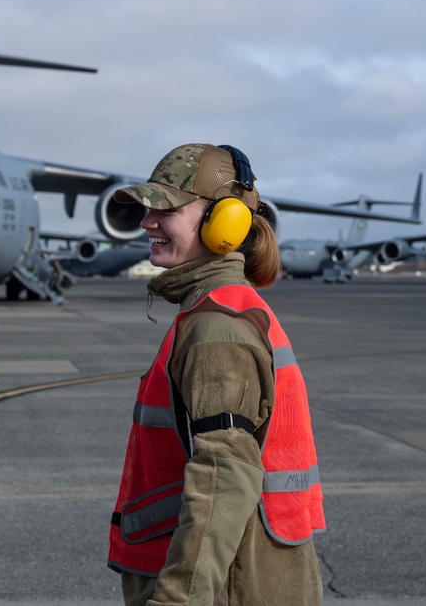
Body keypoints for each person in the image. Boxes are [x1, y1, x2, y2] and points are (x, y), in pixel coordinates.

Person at [106, 143, 326, 606]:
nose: (147, 222)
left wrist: (176, 599)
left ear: (223, 222)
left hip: (229, 587)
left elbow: (224, 478)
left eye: (165, 209)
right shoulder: (215, 310)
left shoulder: (216, 329)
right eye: (147, 208)